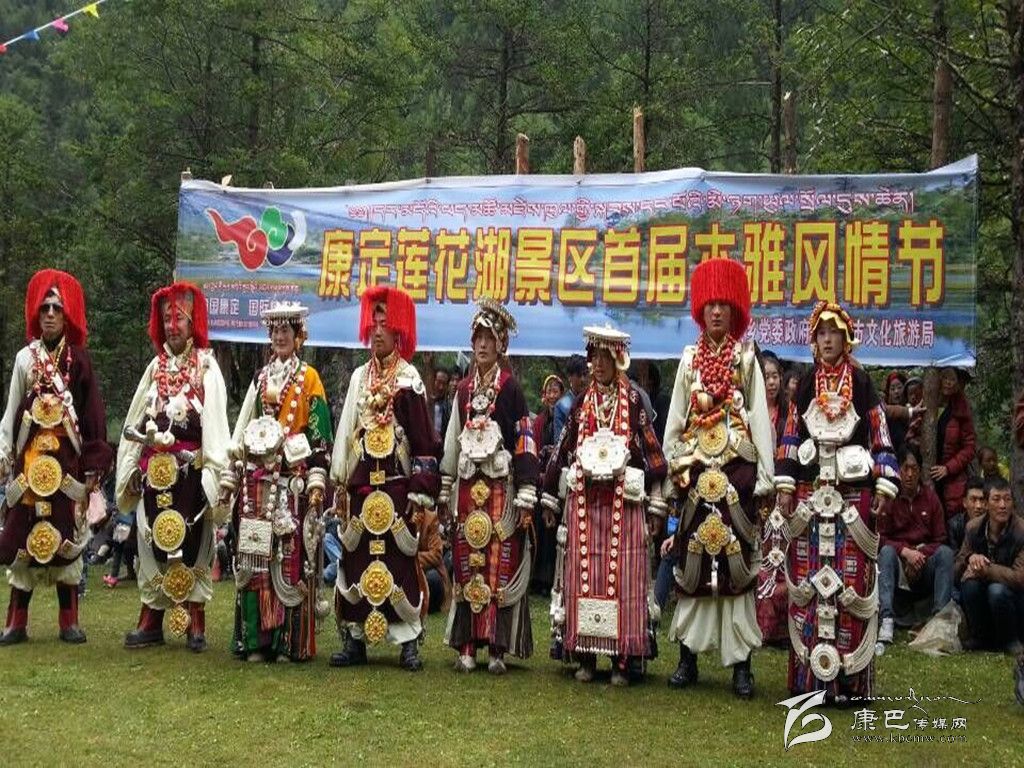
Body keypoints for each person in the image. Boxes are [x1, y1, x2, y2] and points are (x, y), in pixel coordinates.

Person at [661, 258, 773, 698]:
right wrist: (673, 467)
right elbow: (675, 418)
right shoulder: (689, 360)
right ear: (700, 309)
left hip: (737, 476)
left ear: (736, 310)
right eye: (710, 304)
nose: (717, 312)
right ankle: (687, 657)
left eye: (724, 304)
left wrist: (765, 478)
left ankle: (741, 665)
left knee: (737, 567)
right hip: (694, 475)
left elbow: (759, 419)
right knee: (690, 566)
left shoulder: (746, 359)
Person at [775, 300, 899, 701]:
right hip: (811, 495)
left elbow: (880, 434)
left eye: (834, 333)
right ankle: (810, 681)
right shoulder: (806, 383)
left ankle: (848, 682)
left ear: (846, 339)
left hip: (852, 495)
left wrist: (884, 484)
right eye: (821, 333)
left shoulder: (860, 383)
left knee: (850, 584)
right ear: (815, 341)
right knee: (810, 582)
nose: (827, 340)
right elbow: (791, 435)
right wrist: (785, 486)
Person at [541, 325, 667, 686]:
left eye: (604, 358)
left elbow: (653, 453)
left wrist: (656, 504)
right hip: (585, 504)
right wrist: (549, 495)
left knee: (623, 580)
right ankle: (585, 655)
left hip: (622, 506)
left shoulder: (634, 401)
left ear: (618, 360)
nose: (597, 364)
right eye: (593, 357)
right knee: (584, 579)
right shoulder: (581, 403)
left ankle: (621, 661)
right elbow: (562, 449)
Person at [329, 286, 441, 671]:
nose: (377, 331)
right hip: (362, 490)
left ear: (398, 331)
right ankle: (355, 639)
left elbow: (424, 441)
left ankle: (408, 642)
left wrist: (420, 493)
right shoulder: (359, 378)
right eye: (373, 323)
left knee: (401, 564)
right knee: (356, 560)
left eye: (385, 324)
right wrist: (340, 483)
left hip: (396, 490)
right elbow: (346, 432)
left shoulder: (409, 379)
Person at [116, 282, 230, 652]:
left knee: (194, 541)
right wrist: (134, 466)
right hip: (155, 473)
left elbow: (216, 425)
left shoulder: (207, 366)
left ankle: (196, 619)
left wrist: (215, 473)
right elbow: (136, 420)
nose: (172, 326)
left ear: (192, 322)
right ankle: (151, 617)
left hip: (190, 474)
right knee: (151, 540)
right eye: (167, 319)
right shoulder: (155, 368)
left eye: (179, 318)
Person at [0, 270, 112, 645]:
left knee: (68, 537)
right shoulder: (24, 359)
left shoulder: (79, 361)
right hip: (28, 469)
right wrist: (4, 456)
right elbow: (11, 411)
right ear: (37, 313)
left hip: (67, 469)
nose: (49, 314)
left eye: (56, 308)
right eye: (44, 308)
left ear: (67, 316)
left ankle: (69, 621)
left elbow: (93, 415)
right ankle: (16, 621)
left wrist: (94, 465)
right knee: (21, 538)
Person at [220, 301, 333, 662]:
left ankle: (288, 643)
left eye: (286, 330)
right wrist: (232, 472)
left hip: (291, 483)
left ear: (298, 336)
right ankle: (256, 641)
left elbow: (320, 435)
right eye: (275, 331)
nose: (280, 337)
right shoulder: (260, 379)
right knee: (254, 559)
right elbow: (245, 427)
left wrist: (316, 478)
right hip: (257, 483)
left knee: (290, 561)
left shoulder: (310, 378)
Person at [439, 300, 539, 674]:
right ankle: (467, 646)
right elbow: (452, 439)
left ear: (501, 345)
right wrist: (446, 485)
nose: (482, 345)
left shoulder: (511, 389)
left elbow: (525, 439)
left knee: (499, 565)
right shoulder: (464, 390)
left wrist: (526, 491)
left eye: (489, 338)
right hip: (468, 489)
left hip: (500, 489)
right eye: (477, 338)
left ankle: (497, 648)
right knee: (467, 565)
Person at [876, 444, 954, 643]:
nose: (910, 474)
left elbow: (940, 538)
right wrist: (905, 552)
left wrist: (920, 555)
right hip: (899, 562)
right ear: (899, 471)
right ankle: (886, 620)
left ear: (920, 471)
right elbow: (880, 538)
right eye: (905, 468)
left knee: (945, 553)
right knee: (886, 552)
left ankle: (940, 622)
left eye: (914, 468)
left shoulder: (931, 498)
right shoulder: (890, 498)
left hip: (924, 563)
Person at [955, 477, 1024, 654]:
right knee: (969, 585)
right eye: (996, 499)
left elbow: (1019, 578)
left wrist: (986, 569)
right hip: (986, 597)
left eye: (1007, 499)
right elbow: (956, 570)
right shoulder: (973, 528)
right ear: (986, 504)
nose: (1003, 505)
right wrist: (970, 558)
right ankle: (980, 638)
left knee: (997, 590)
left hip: (1016, 600)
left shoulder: (1021, 531)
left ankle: (1011, 640)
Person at [755, 349, 790, 646]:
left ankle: (782, 628)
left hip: (783, 494)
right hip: (757, 494)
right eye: (766, 377)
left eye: (775, 376)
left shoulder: (790, 414)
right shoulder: (750, 412)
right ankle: (758, 625)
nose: (771, 382)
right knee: (760, 554)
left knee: (782, 555)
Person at [531, 374, 565, 596]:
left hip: (557, 480)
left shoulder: (565, 417)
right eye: (549, 391)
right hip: (540, 480)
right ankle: (536, 578)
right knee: (539, 528)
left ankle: (551, 577)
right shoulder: (539, 421)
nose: (552, 395)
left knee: (554, 532)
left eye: (556, 391)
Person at [933, 367, 976, 519]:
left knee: (950, 520)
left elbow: (970, 447)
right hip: (928, 474)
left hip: (951, 479)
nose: (948, 383)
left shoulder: (961, 408)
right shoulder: (927, 400)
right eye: (945, 378)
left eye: (952, 379)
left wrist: (948, 468)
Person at [947, 477, 986, 556]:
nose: (978, 506)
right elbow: (953, 555)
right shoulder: (954, 525)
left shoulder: (994, 524)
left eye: (982, 500)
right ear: (965, 502)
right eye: (973, 500)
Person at [553, 355, 587, 439]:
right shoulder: (561, 406)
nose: (583, 379)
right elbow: (559, 440)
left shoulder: (593, 399)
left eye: (585, 374)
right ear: (570, 377)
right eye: (579, 375)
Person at [430, 367, 453, 440]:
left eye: (444, 384)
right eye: (439, 382)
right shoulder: (423, 402)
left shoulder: (449, 407)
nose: (441, 387)